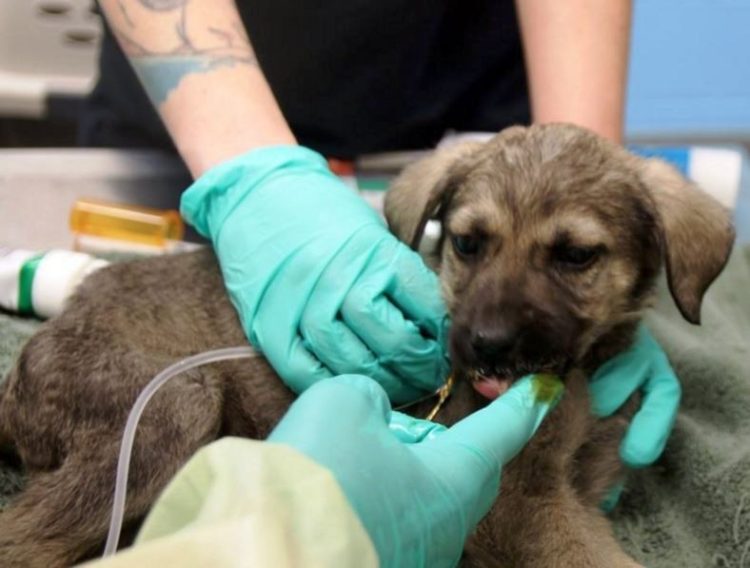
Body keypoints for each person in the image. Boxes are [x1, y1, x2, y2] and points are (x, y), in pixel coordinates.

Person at [83, 0, 681, 563]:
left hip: (460, 93)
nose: (495, 325)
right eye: (469, 247)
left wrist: (591, 165)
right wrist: (251, 177)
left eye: (573, 256)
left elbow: (566, 182)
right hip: (189, 117)